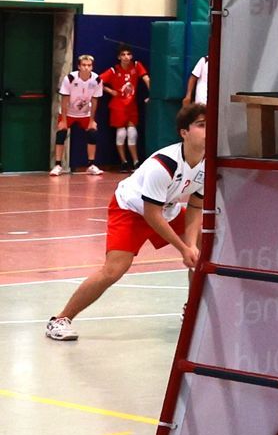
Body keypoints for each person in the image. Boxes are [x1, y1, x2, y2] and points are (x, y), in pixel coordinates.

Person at [45, 102, 206, 341]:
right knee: (114, 270)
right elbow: (151, 214)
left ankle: (192, 311)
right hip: (131, 209)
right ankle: (59, 320)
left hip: (166, 209)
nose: (208, 130)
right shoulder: (164, 165)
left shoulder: (207, 163)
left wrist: (191, 244)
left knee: (203, 249)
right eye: (201, 125)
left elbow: (195, 206)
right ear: (184, 132)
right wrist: (183, 248)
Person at [54, 54, 105, 176]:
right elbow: (64, 99)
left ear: (92, 67)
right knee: (61, 133)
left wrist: (92, 120)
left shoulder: (97, 79)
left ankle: (91, 165)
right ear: (79, 66)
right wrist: (64, 120)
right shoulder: (70, 78)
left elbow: (95, 100)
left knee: (92, 133)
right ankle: (58, 165)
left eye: (89, 65)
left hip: (85, 113)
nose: (86, 68)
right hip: (68, 112)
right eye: (84, 65)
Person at [101, 45, 148, 169]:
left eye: (128, 54)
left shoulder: (136, 66)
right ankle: (123, 162)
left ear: (131, 56)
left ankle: (136, 162)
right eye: (123, 55)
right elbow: (97, 81)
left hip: (131, 105)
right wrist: (111, 91)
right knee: (121, 134)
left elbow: (147, 79)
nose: (126, 57)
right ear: (119, 57)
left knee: (132, 133)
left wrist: (152, 95)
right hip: (118, 106)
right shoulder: (114, 70)